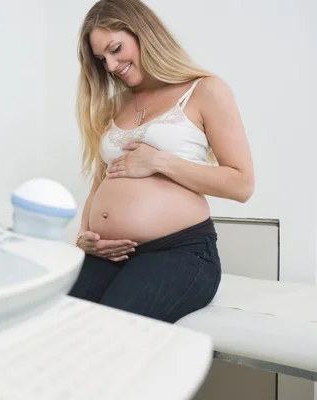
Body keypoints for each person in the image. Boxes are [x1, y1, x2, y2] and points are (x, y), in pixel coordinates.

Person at [67, 0, 254, 323]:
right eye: (101, 59)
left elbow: (242, 184)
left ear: (143, 33)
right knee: (51, 316)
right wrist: (86, 235)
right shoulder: (113, 105)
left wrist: (160, 162)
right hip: (110, 254)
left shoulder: (205, 91)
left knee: (108, 327)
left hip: (180, 252)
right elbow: (101, 181)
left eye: (116, 49)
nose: (110, 66)